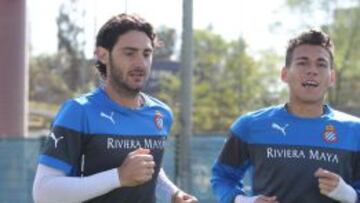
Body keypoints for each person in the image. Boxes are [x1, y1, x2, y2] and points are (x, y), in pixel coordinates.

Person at [32, 13, 198, 203]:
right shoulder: (78, 112)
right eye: (129, 53)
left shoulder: (161, 114)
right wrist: (118, 177)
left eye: (146, 53)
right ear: (103, 55)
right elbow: (44, 193)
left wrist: (173, 193)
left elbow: (148, 169)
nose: (140, 63)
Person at [211, 29, 360, 203]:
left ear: (332, 77)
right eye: (303, 63)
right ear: (284, 74)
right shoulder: (249, 126)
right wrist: (245, 201)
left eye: (321, 64)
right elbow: (222, 177)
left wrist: (350, 195)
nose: (312, 70)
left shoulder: (355, 131)